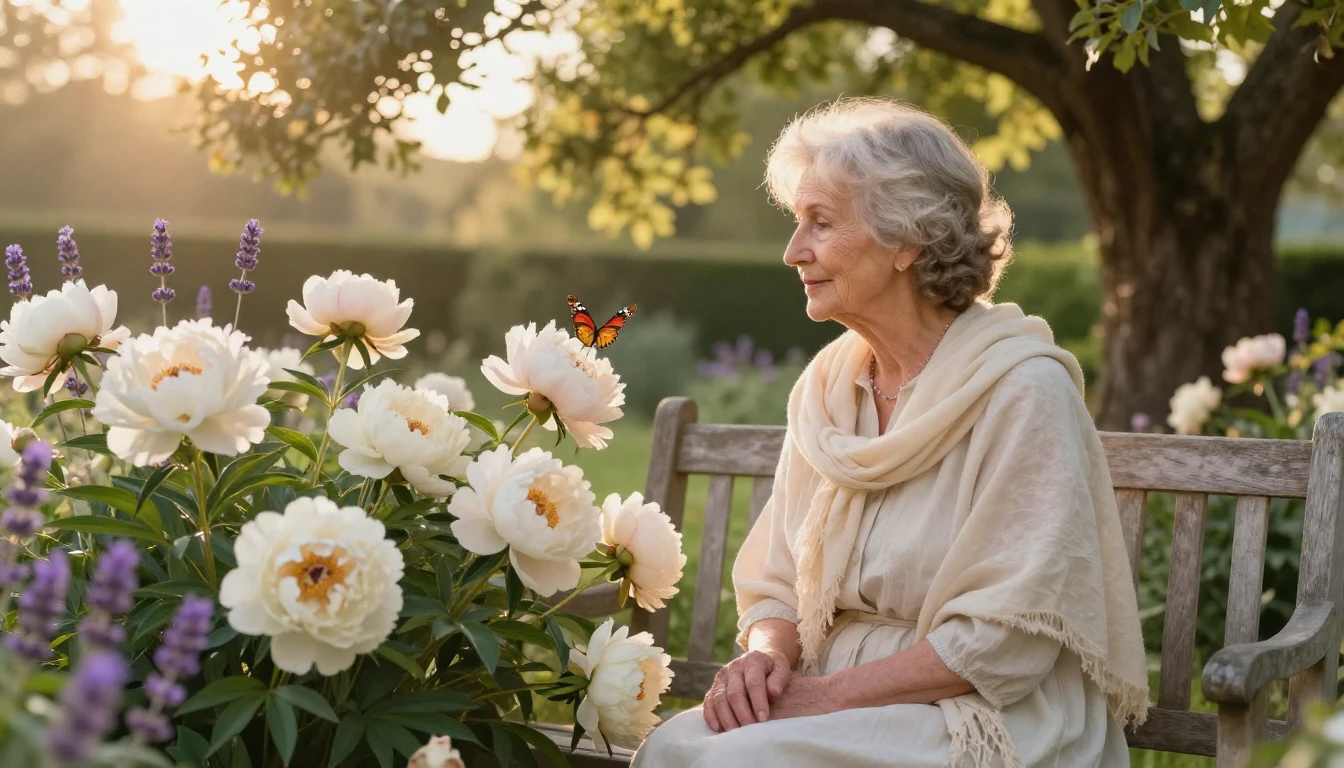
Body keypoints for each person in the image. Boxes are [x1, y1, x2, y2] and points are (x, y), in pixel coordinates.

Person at [632, 98, 1148, 768]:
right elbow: (779, 582)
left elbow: (1005, 639)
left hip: (985, 709)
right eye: (797, 222)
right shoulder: (826, 388)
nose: (793, 252)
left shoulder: (1023, 391)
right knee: (673, 747)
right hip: (834, 692)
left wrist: (818, 700)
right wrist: (764, 662)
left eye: (820, 223)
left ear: (906, 238)